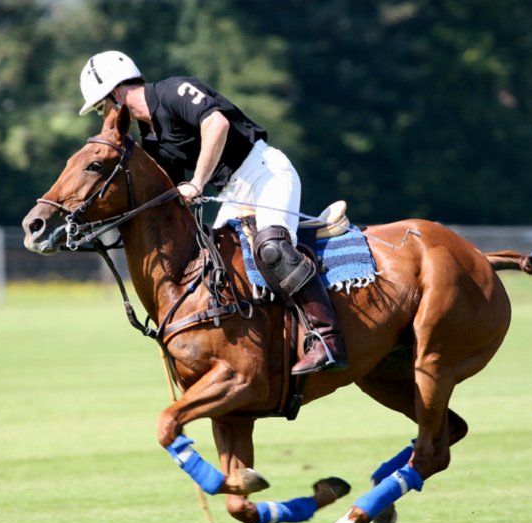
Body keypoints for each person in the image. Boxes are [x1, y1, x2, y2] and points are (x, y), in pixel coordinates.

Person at [78, 51, 347, 375]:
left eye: (99, 106)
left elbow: (216, 124)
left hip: (265, 172)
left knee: (273, 248)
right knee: (216, 270)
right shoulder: (151, 138)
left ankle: (328, 339)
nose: (102, 115)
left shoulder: (173, 91)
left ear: (116, 93)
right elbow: (171, 194)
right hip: (230, 191)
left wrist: (197, 182)